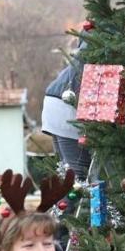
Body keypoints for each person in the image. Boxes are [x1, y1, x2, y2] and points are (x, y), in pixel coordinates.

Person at [42, 39, 91, 183]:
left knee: (65, 172)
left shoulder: (90, 35)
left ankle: (61, 205)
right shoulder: (107, 36)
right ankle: (68, 205)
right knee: (77, 177)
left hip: (54, 101)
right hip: (67, 106)